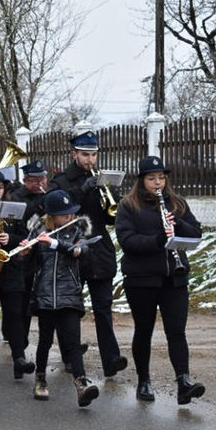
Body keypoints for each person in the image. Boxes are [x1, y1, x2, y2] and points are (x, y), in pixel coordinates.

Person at [115, 156, 205, 405]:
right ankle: (144, 381)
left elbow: (196, 232)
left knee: (176, 331)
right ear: (142, 180)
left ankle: (184, 382)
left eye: (161, 178)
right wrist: (157, 239)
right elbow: (127, 241)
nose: (158, 183)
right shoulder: (128, 206)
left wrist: (178, 224)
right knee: (144, 330)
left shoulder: (176, 203)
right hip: (142, 278)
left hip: (174, 278)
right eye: (152, 178)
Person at [49, 131, 128, 377]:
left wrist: (113, 198)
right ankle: (70, 356)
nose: (90, 160)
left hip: (99, 249)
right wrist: (82, 191)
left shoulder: (101, 179)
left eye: (93, 155)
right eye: (85, 155)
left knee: (103, 307)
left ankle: (111, 359)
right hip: (70, 248)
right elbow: (54, 209)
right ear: (74, 154)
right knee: (70, 307)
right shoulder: (60, 182)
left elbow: (110, 218)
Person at [23, 189, 100, 407]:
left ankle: (81, 383)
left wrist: (55, 244)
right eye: (64, 214)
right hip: (45, 294)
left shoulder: (77, 231)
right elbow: (26, 261)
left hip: (69, 294)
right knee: (45, 341)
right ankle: (40, 379)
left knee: (73, 342)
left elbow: (81, 252)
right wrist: (23, 252)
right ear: (52, 215)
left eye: (71, 213)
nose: (69, 217)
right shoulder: (37, 230)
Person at [0, 168, 35, 380]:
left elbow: (24, 236)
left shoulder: (13, 210)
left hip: (11, 268)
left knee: (15, 315)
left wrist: (11, 240)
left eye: (1, 188)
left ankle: (19, 359)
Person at [9, 160, 48, 347]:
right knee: (23, 303)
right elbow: (20, 221)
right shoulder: (16, 197)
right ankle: (20, 341)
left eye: (42, 179)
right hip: (25, 255)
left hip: (45, 254)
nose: (39, 184)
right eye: (34, 180)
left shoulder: (49, 195)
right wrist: (40, 206)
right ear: (25, 180)